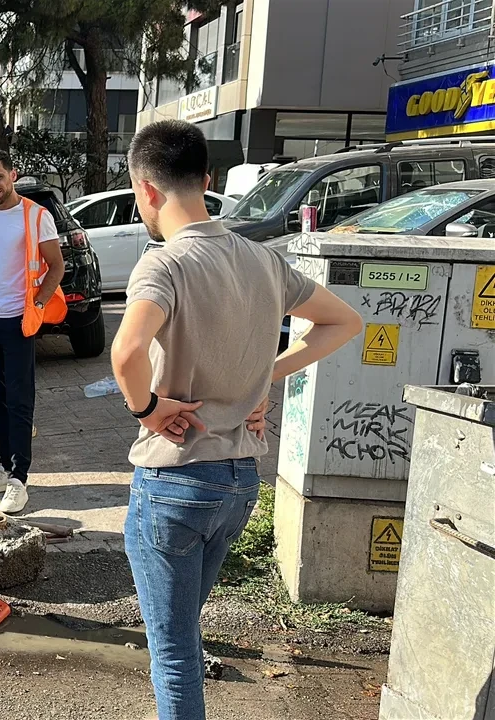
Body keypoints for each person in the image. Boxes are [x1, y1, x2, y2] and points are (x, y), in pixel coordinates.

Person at [111, 120, 361, 719]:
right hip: (239, 483)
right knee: (184, 636)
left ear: (146, 190)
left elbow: (124, 352)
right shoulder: (263, 261)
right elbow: (345, 322)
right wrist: (264, 377)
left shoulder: (163, 265)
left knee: (171, 652)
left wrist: (147, 408)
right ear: (206, 179)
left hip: (174, 480)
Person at [0, 151, 66, 514]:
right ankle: (5, 466)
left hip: (18, 320)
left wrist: (37, 304)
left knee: (20, 401)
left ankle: (20, 479)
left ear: (13, 175)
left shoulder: (37, 216)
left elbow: (56, 266)